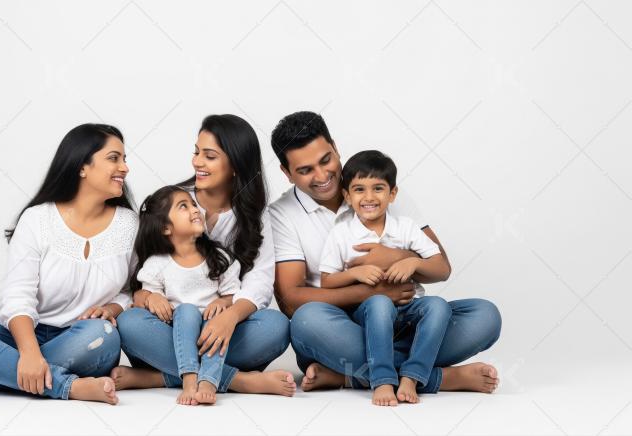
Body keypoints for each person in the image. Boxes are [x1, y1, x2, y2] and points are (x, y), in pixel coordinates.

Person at [268, 111, 501, 396]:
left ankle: (350, 376)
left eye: (326, 160)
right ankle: (434, 377)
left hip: (405, 320)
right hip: (343, 329)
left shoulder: (377, 187)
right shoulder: (282, 214)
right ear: (286, 172)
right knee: (306, 322)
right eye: (305, 170)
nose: (322, 176)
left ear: (335, 147)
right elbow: (291, 301)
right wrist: (370, 294)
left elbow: (442, 269)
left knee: (485, 316)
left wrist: (397, 259)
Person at [0, 124, 136, 404]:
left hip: (83, 340)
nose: (124, 168)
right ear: (82, 166)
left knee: (104, 334)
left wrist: (113, 308)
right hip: (26, 333)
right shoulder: (36, 219)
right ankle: (69, 387)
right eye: (114, 158)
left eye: (125, 159)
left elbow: (132, 289)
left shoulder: (129, 224)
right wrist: (28, 352)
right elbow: (17, 295)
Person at [114, 114, 295, 397]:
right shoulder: (171, 203)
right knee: (128, 324)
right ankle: (236, 381)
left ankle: (162, 377)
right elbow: (136, 281)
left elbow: (259, 281)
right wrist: (148, 298)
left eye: (209, 156)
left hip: (221, 324)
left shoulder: (254, 214)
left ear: (235, 164)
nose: (197, 162)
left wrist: (231, 315)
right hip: (169, 328)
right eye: (196, 152)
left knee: (277, 326)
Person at [320, 150, 451, 406]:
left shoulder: (406, 227)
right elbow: (327, 281)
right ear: (347, 195)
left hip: (408, 310)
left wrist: (413, 262)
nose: (369, 197)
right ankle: (382, 380)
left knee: (439, 306)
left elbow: (441, 269)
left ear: (392, 194)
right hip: (367, 312)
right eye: (359, 190)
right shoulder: (341, 233)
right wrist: (354, 273)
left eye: (378, 188)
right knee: (379, 303)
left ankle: (412, 376)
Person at [131, 185, 243, 405]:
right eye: (184, 206)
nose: (194, 209)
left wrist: (223, 302)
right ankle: (190, 378)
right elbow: (141, 298)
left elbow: (233, 297)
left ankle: (206, 380)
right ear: (165, 228)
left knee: (271, 323)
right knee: (184, 311)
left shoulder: (219, 257)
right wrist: (150, 297)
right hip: (175, 336)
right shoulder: (157, 264)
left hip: (214, 333)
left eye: (193, 204)